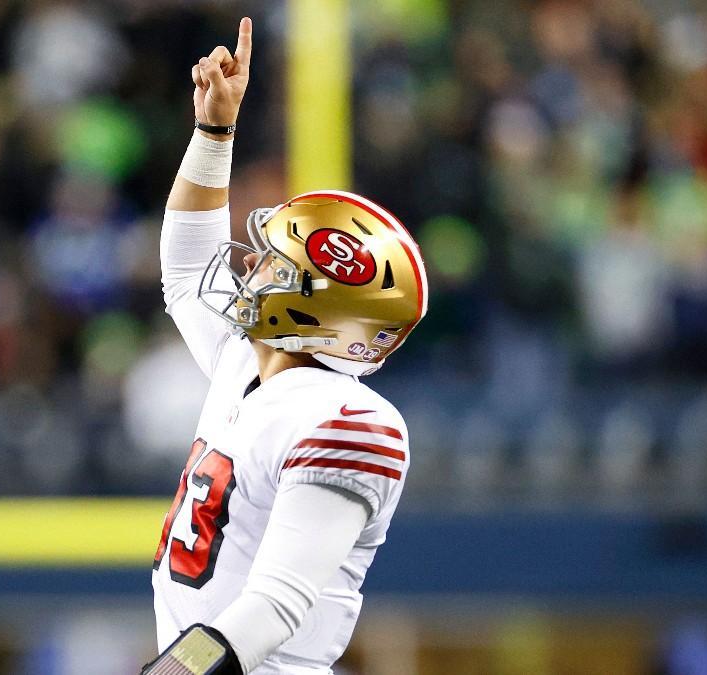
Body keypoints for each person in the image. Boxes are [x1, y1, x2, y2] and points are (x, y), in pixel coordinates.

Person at [142, 17, 429, 675]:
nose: (249, 267)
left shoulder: (349, 420)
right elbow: (186, 269)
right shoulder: (247, 365)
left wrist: (173, 671)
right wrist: (214, 133)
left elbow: (273, 606)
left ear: (313, 303)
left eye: (274, 262)